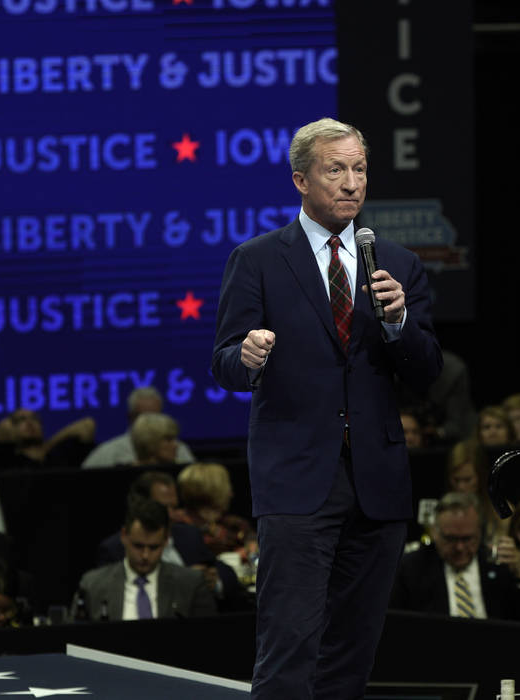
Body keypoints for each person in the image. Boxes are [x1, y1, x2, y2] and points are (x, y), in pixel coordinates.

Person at [211, 117, 442, 699]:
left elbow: (427, 372)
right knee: (289, 651)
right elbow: (225, 363)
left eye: (359, 169)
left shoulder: (395, 263)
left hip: (377, 483)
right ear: (300, 181)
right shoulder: (259, 260)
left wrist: (399, 324)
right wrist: (249, 356)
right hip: (297, 482)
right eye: (334, 170)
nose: (350, 183)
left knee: (351, 656)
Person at [388, 492, 520, 621]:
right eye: (451, 539)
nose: (459, 547)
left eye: (467, 539)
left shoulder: (498, 563)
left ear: (479, 533)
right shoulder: (412, 569)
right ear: (435, 532)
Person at [76, 499, 217, 621]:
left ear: (166, 540)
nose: (145, 555)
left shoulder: (190, 585)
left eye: (154, 547)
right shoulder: (92, 585)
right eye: (138, 546)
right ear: (124, 536)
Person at [82, 386, 195, 468]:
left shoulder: (180, 451)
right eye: (145, 418)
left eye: (155, 417)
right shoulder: (107, 454)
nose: (150, 423)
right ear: (130, 417)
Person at [175, 462, 257, 557]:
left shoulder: (235, 524)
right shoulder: (181, 525)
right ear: (209, 490)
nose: (231, 494)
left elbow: (256, 545)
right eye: (226, 487)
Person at [0, 407, 95, 470]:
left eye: (34, 419)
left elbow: (88, 424)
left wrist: (47, 446)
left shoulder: (60, 453)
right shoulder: (7, 460)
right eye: (21, 420)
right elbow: (3, 426)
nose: (29, 423)